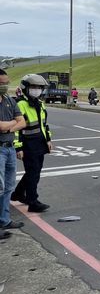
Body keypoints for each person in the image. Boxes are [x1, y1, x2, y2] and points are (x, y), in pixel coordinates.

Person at [11, 74, 52, 213]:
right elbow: (17, 128)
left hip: (39, 143)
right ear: (26, 88)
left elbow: (44, 125)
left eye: (39, 88)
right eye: (34, 87)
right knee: (33, 173)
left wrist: (48, 139)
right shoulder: (20, 104)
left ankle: (17, 194)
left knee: (34, 172)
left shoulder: (39, 103)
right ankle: (32, 201)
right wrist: (18, 147)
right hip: (27, 145)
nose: (37, 90)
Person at [0, 69, 26, 239]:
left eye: (6, 83)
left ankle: (4, 219)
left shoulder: (10, 100)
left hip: (9, 148)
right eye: (2, 83)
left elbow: (22, 122)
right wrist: (10, 124)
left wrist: (8, 126)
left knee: (9, 186)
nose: (5, 86)